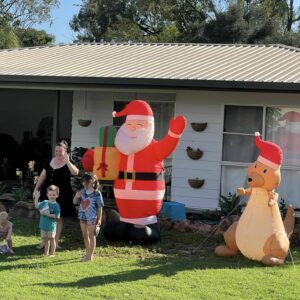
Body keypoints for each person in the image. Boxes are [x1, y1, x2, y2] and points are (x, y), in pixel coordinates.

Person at [103, 100, 186, 243]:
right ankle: (124, 224)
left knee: (142, 234)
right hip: (123, 199)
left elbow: (166, 147)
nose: (133, 128)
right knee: (114, 231)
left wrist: (174, 134)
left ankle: (148, 228)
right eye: (129, 125)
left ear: (149, 126)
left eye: (139, 125)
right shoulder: (121, 147)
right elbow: (107, 159)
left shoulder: (153, 148)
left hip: (147, 205)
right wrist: (92, 157)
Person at [33, 139, 79, 249]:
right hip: (47, 193)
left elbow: (75, 172)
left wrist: (67, 161)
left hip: (62, 195)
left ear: (65, 151)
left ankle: (55, 242)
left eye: (60, 151)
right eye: (56, 151)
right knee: (44, 215)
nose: (58, 153)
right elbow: (43, 175)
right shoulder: (50, 160)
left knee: (59, 218)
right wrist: (36, 189)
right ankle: (43, 242)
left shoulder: (68, 162)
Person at [73, 172, 104, 261]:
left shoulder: (97, 193)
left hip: (92, 218)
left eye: (84, 181)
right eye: (83, 181)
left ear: (90, 181)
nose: (83, 183)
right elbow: (74, 202)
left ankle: (90, 256)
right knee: (85, 235)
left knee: (91, 235)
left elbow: (100, 207)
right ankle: (88, 253)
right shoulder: (82, 192)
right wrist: (76, 196)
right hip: (82, 216)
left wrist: (99, 219)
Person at [34, 185, 61, 257]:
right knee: (45, 239)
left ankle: (52, 253)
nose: (52, 196)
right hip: (43, 225)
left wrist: (48, 214)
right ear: (47, 195)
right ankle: (46, 253)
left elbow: (57, 216)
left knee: (52, 239)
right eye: (50, 195)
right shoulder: (45, 202)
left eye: (54, 195)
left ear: (57, 195)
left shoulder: (56, 205)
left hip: (51, 226)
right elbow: (36, 206)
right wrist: (36, 198)